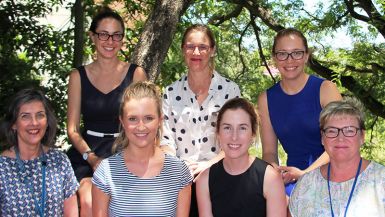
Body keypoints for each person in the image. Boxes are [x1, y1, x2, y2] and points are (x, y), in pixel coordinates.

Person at [66, 6, 147, 216]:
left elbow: (144, 123)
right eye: (103, 34)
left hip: (125, 148)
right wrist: (91, 158)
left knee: (124, 202)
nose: (110, 41)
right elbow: (72, 129)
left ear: (122, 38)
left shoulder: (136, 74)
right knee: (89, 201)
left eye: (116, 35)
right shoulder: (77, 76)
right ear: (93, 36)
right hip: (87, 153)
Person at [161, 24, 240, 216]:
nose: (196, 52)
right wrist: (181, 167)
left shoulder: (230, 91)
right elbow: (165, 140)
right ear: (183, 50)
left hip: (221, 173)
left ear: (212, 50)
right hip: (180, 177)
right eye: (190, 46)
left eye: (203, 47)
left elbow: (236, 140)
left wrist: (209, 165)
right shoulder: (170, 93)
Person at [257, 28, 342, 195]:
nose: (289, 60)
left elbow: (341, 142)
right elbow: (269, 152)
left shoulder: (326, 89)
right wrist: (274, 172)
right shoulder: (266, 99)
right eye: (282, 54)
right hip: (292, 178)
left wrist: (306, 174)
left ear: (306, 56)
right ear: (275, 58)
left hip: (334, 173)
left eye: (296, 53)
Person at [92, 81, 192, 217]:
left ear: (160, 120)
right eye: (132, 119)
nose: (141, 126)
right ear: (122, 121)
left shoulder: (178, 171)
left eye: (148, 118)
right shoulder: (106, 172)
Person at [289, 97, 385, 216]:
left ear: (362, 136)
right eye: (332, 131)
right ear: (322, 138)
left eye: (349, 130)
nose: (340, 138)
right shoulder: (305, 185)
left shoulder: (381, 180)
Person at [196, 98, 287, 217]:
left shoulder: (270, 178)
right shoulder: (204, 180)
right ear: (218, 132)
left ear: (253, 134)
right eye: (227, 127)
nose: (234, 137)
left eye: (242, 128)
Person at [0, 88, 79, 216]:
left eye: (40, 115)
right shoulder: (2, 168)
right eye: (25, 116)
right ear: (13, 124)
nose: (34, 123)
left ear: (47, 121)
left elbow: (71, 213)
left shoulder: (59, 160)